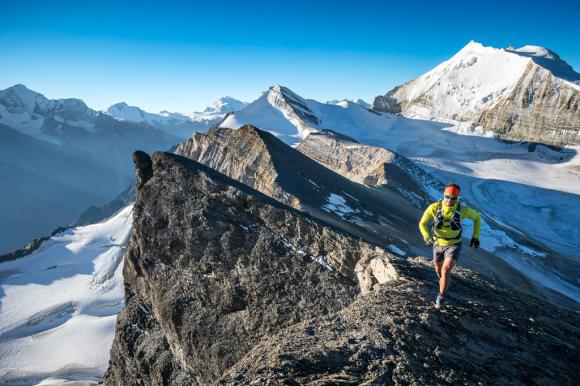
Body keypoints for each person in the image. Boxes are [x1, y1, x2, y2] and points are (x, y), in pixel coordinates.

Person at [418, 184, 481, 311]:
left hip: (454, 244)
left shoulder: (463, 210)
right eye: (447, 196)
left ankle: (440, 298)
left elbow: (477, 218)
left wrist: (475, 237)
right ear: (443, 195)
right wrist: (426, 236)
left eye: (453, 197)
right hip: (438, 243)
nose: (450, 200)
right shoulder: (434, 207)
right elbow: (422, 223)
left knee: (445, 270)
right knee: (438, 269)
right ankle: (445, 283)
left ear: (457, 198)